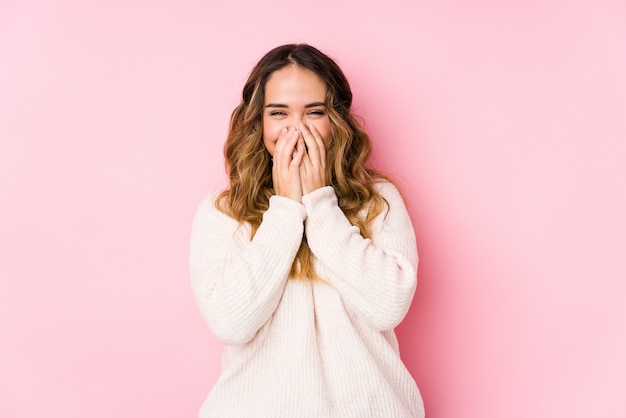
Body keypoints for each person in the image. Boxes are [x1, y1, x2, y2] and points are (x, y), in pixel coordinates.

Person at [189, 43, 425, 418]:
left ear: (337, 121)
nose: (296, 128)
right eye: (278, 112)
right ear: (259, 122)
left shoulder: (377, 200)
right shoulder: (223, 211)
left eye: (314, 112)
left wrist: (320, 203)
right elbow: (230, 322)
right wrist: (285, 210)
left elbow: (387, 307)